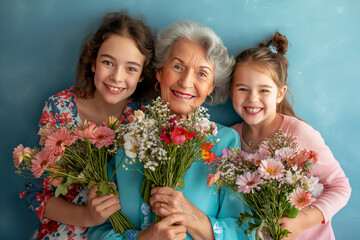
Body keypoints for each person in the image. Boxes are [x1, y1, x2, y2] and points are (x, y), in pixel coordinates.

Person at [88, 21, 252, 240]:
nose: (185, 82)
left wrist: (192, 217)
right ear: (159, 72)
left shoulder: (224, 142)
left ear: (212, 87)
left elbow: (244, 233)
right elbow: (98, 231)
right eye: (177, 67)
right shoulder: (126, 136)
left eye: (202, 74)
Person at [22, 11, 157, 239]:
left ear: (142, 75)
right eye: (107, 62)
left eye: (131, 68)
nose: (116, 77)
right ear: (93, 63)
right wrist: (88, 217)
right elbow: (38, 195)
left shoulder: (145, 117)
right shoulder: (59, 109)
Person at [230, 32, 351, 240]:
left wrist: (303, 221)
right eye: (243, 89)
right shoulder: (230, 138)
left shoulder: (298, 133)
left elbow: (340, 187)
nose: (252, 98)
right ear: (231, 91)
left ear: (280, 93)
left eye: (264, 90)